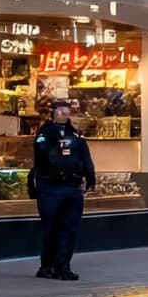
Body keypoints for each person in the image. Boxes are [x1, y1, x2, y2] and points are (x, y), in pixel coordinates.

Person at [28, 99, 95, 281]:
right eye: (61, 112)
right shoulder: (45, 132)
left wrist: (90, 176)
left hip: (72, 187)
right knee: (51, 229)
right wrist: (57, 145)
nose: (64, 115)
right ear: (53, 113)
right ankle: (47, 265)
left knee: (69, 229)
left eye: (67, 112)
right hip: (50, 187)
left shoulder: (75, 134)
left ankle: (63, 266)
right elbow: (42, 154)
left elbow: (85, 154)